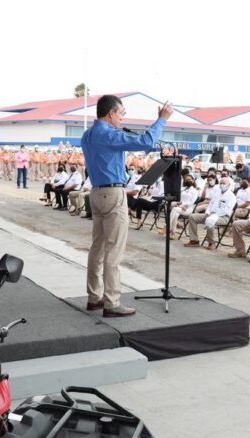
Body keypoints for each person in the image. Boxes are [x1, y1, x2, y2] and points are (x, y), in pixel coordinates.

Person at [80, 95, 171, 316]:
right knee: (114, 250)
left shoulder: (88, 135)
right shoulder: (109, 134)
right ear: (110, 113)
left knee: (97, 247)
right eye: (121, 113)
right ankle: (112, 302)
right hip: (113, 194)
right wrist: (162, 120)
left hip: (96, 192)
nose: (122, 118)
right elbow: (146, 142)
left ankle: (95, 297)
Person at [185, 176, 236, 250]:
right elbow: (210, 204)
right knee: (192, 216)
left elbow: (226, 210)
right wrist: (208, 212)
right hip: (210, 214)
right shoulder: (217, 193)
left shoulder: (231, 196)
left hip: (223, 217)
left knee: (210, 220)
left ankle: (211, 242)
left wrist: (214, 215)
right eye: (220, 183)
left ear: (228, 185)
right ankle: (194, 240)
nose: (222, 185)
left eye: (224, 183)